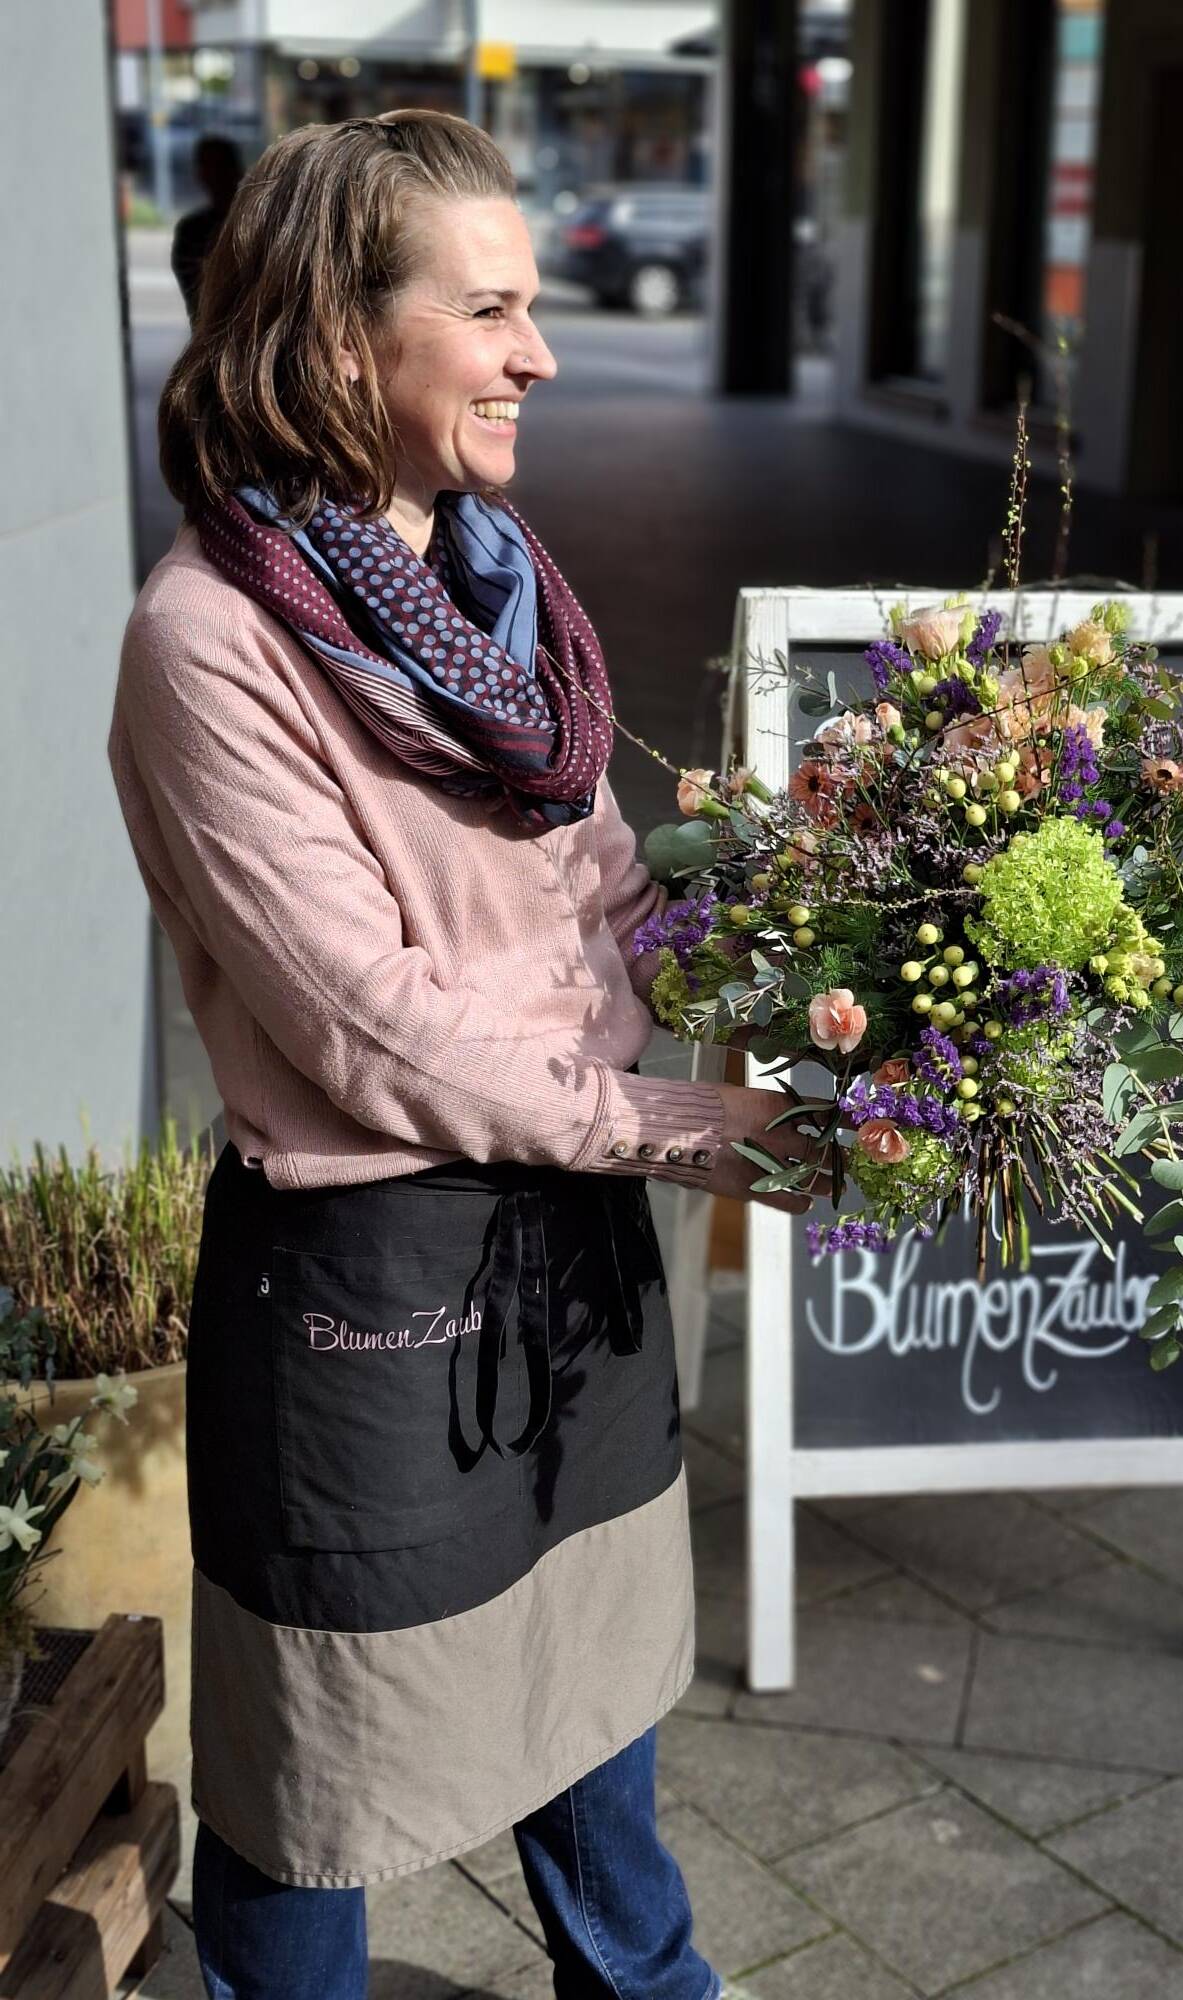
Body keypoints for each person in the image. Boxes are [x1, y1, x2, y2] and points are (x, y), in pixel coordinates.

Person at [107, 109, 825, 2000]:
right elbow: (371, 1028)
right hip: (376, 1279)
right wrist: (695, 1127)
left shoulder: (500, 588)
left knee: (588, 1706)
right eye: (490, 310)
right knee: (312, 1778)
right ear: (344, 343)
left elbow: (601, 890)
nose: (542, 354)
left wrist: (860, 958)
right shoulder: (209, 642)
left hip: (570, 1232)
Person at [169, 134, 243, 321]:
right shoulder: (192, 231)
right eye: (209, 168)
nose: (215, 176)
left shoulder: (192, 230)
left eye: (219, 168)